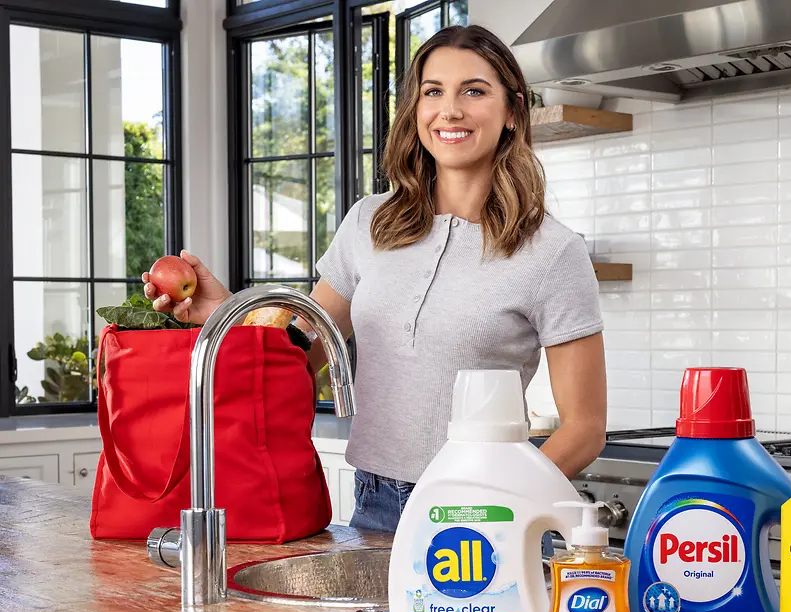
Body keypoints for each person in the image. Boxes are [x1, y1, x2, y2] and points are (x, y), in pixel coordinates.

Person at [142, 24, 607, 533]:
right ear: (416, 109)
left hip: (488, 514)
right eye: (433, 92)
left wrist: (499, 504)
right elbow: (302, 349)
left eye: (473, 91)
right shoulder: (370, 222)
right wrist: (223, 311)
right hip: (375, 503)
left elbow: (585, 429)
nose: (449, 110)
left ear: (513, 112)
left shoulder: (552, 250)